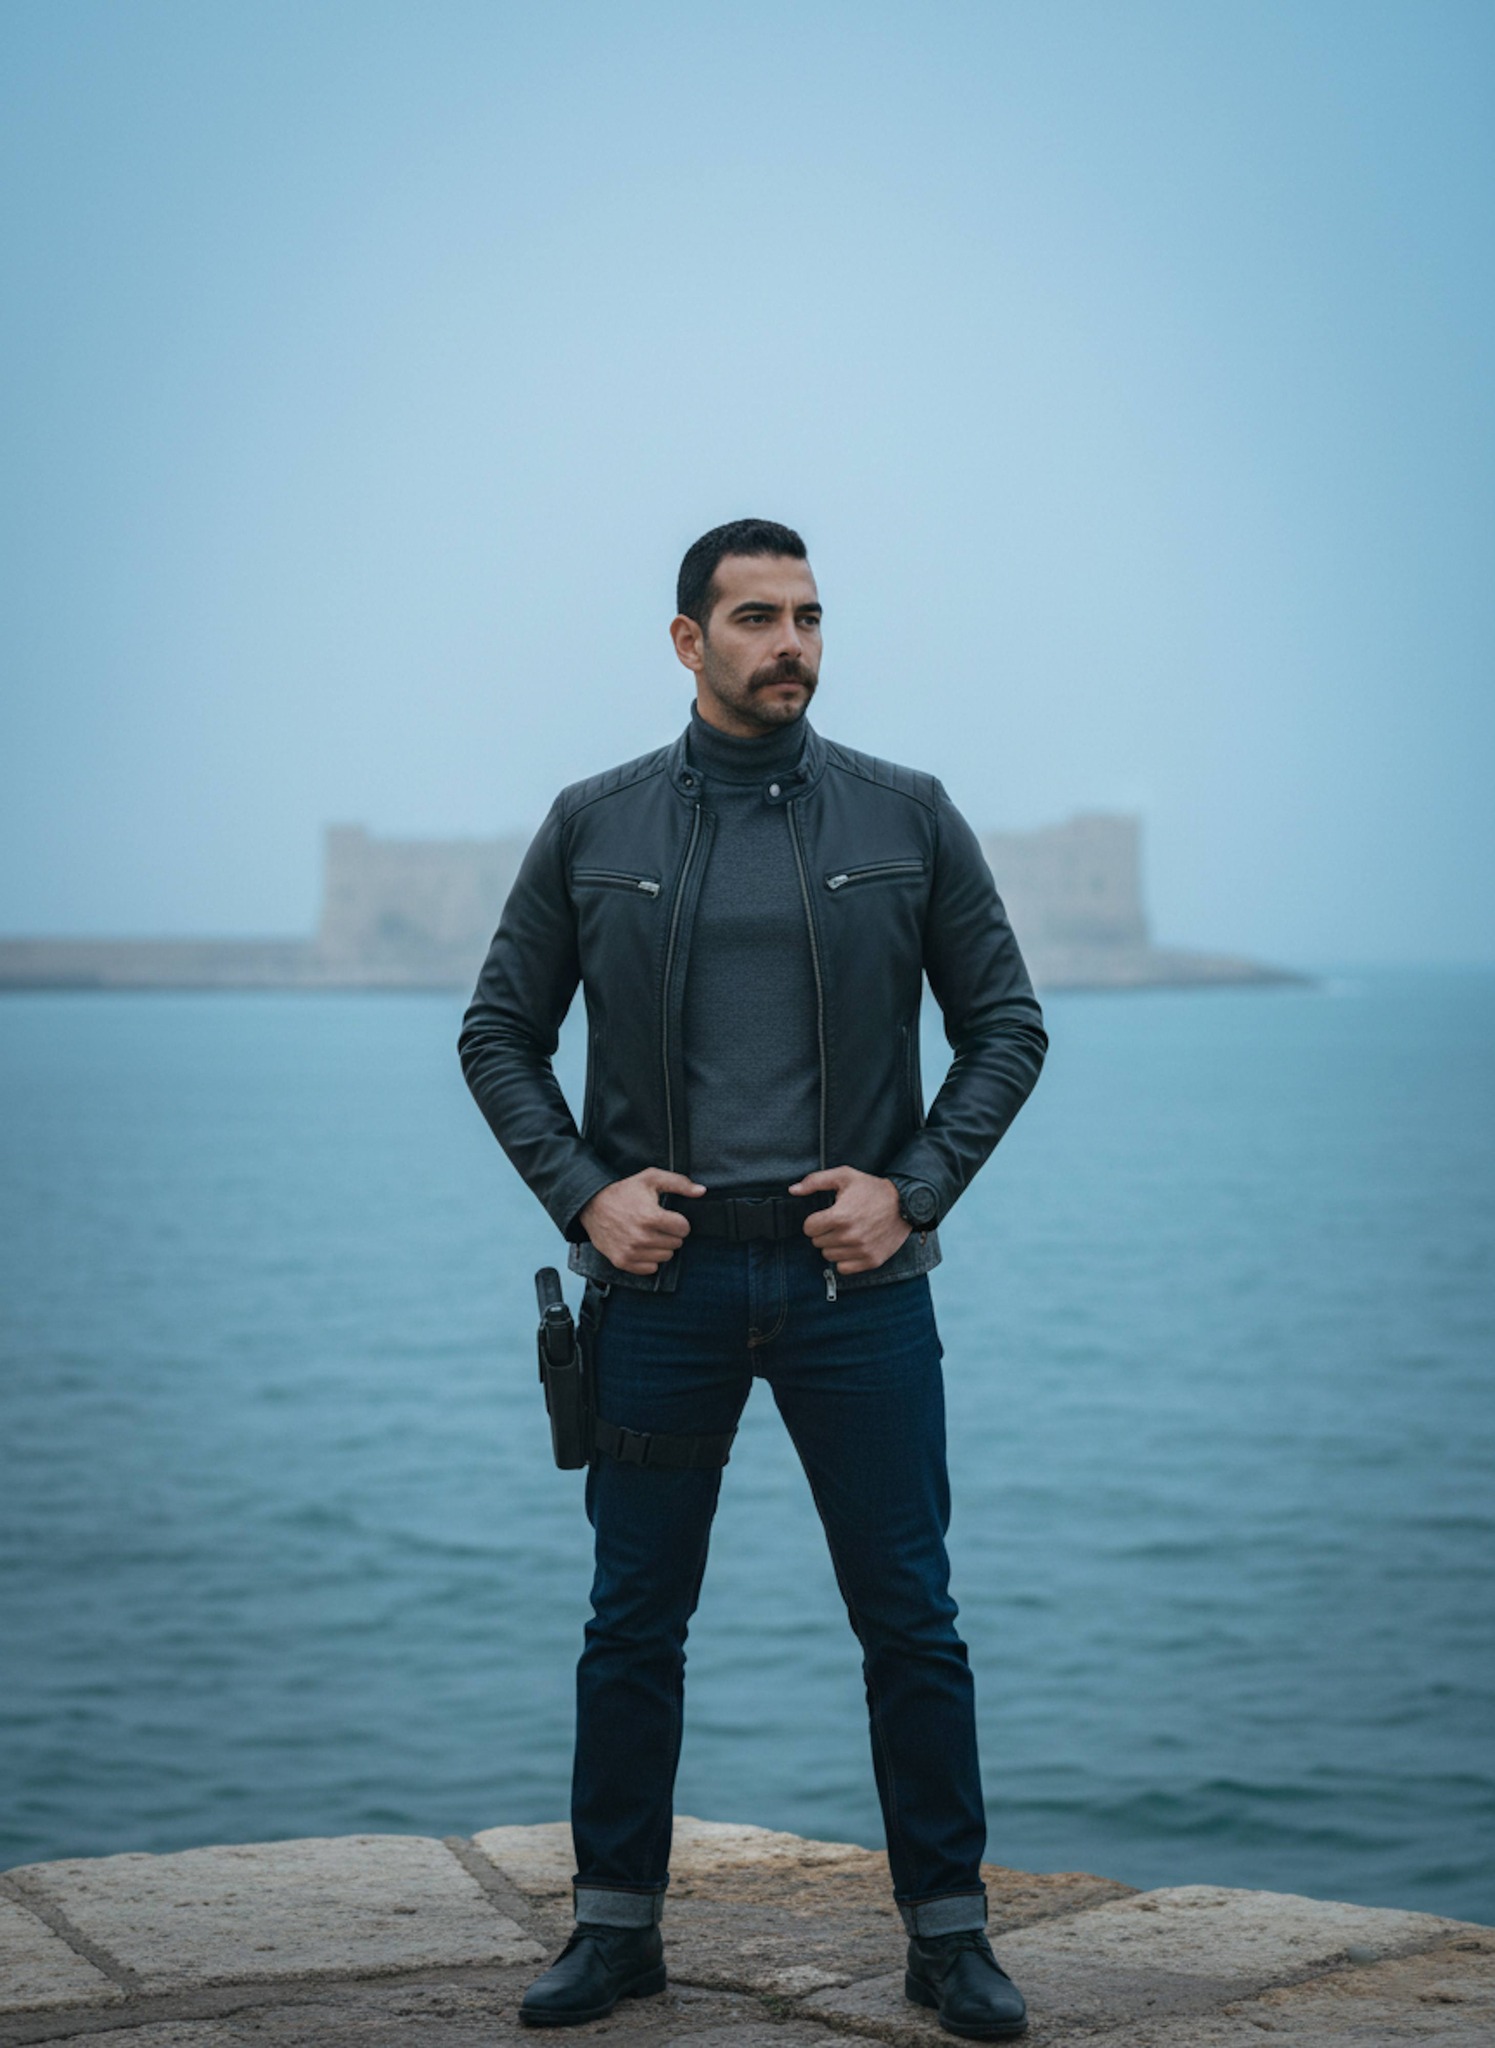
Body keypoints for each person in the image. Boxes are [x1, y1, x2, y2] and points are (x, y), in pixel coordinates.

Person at [459, 518, 1047, 2038]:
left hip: (863, 1291)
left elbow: (1008, 1026)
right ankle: (614, 1932)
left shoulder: (906, 815)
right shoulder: (594, 824)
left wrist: (909, 1189)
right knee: (631, 1621)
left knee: (910, 1617)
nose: (793, 642)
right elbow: (497, 1034)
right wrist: (588, 1198)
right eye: (758, 618)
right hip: (660, 1294)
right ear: (687, 641)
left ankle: (949, 1935)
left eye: (809, 616)